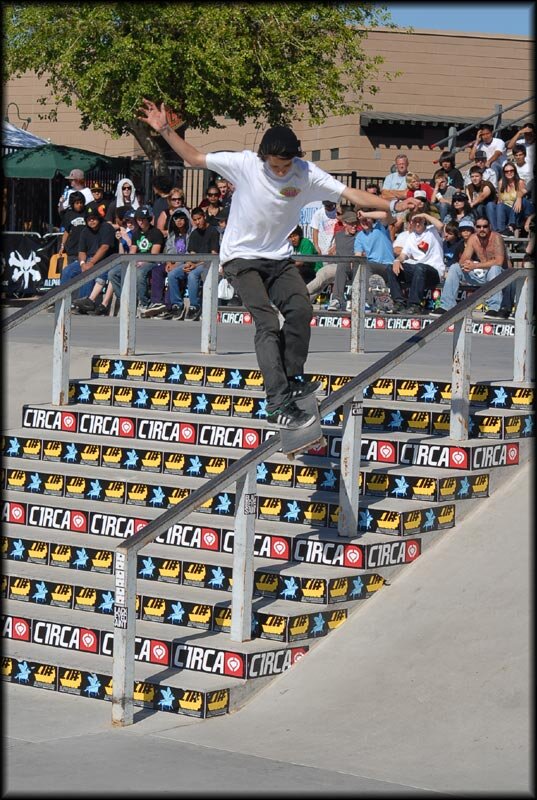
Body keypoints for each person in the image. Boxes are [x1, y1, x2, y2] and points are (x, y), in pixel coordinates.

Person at [139, 98, 416, 429]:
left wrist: (391, 204)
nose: (280, 172)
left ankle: (293, 375)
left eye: (285, 166)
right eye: (274, 166)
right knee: (268, 322)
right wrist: (166, 129)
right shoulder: (244, 164)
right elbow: (194, 157)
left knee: (301, 310)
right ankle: (277, 402)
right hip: (240, 258)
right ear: (263, 158)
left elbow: (352, 194)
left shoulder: (307, 173)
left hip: (277, 257)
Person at [431, 216, 508, 318]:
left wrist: (475, 265)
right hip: (480, 273)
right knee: (455, 268)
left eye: (485, 226)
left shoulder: (496, 238)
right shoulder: (473, 238)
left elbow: (499, 262)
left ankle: (494, 308)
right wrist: (467, 264)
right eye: (479, 226)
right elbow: (463, 259)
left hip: (499, 275)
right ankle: (446, 306)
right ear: (475, 227)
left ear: (490, 227)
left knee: (495, 268)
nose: (482, 229)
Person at [165, 207, 220, 321]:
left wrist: (195, 265)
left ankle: (195, 306)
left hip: (208, 263)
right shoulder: (194, 233)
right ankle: (177, 305)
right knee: (172, 274)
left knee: (193, 275)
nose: (197, 222)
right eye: (194, 220)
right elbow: (192, 254)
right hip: (195, 263)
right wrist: (189, 263)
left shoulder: (213, 231)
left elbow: (213, 256)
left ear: (204, 217)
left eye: (199, 219)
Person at [386, 210, 445, 315]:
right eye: (415, 221)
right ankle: (399, 302)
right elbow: (404, 255)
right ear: (411, 224)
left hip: (434, 271)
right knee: (390, 268)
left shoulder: (432, 231)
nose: (417, 224)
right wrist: (397, 260)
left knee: (420, 267)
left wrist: (424, 214)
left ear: (424, 222)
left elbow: (441, 226)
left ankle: (414, 305)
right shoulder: (411, 237)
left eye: (420, 221)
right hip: (418, 272)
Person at [60, 204, 117, 301]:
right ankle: (62, 301)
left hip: (105, 260)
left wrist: (91, 263)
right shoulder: (85, 231)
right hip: (88, 259)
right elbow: (81, 251)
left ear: (99, 218)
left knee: (89, 272)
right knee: (67, 271)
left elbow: (104, 247)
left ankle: (82, 303)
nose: (91, 221)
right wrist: (82, 264)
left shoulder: (106, 227)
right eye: (89, 219)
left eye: (94, 218)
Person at [158, 209, 191, 320]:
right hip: (171, 262)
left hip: (185, 263)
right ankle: (157, 303)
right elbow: (168, 250)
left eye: (182, 218)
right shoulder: (172, 236)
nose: (179, 221)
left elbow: (189, 253)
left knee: (172, 275)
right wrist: (168, 262)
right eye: (176, 219)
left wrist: (176, 264)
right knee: (156, 271)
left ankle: (177, 305)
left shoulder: (190, 235)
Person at [496, 163, 534, 236]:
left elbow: (523, 193)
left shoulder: (520, 182)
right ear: (503, 173)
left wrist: (519, 198)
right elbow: (500, 200)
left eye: (511, 170)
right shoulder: (501, 182)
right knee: (499, 205)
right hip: (508, 209)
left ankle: (511, 227)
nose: (509, 173)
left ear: (515, 171)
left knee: (517, 200)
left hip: (520, 210)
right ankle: (501, 230)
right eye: (506, 171)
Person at [58, 191, 87, 263]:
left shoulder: (87, 212)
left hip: (86, 249)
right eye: (77, 203)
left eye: (81, 203)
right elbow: (66, 232)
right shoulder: (68, 214)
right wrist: (62, 246)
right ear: (72, 204)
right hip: (73, 250)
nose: (79, 205)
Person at [466, 166, 498, 231]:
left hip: (491, 209)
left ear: (481, 176)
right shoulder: (469, 187)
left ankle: (494, 229)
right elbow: (469, 200)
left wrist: (472, 204)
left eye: (477, 176)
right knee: (477, 207)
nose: (474, 178)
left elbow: (483, 195)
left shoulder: (487, 184)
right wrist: (471, 204)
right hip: (477, 211)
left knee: (489, 205)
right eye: (472, 177)